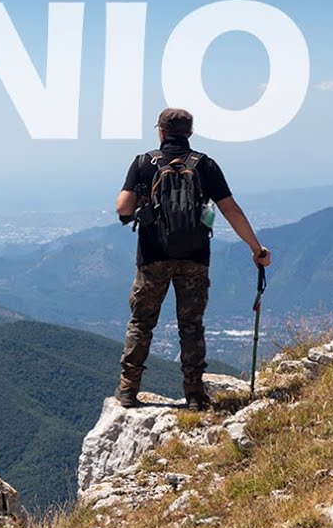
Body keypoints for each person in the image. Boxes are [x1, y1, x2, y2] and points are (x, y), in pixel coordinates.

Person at [114, 108, 272, 411]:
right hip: (195, 257)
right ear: (190, 132)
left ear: (160, 131)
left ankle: (128, 390)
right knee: (191, 325)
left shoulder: (144, 163)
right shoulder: (205, 165)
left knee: (141, 324)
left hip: (152, 257)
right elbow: (231, 211)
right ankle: (195, 395)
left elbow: (123, 207)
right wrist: (256, 248)